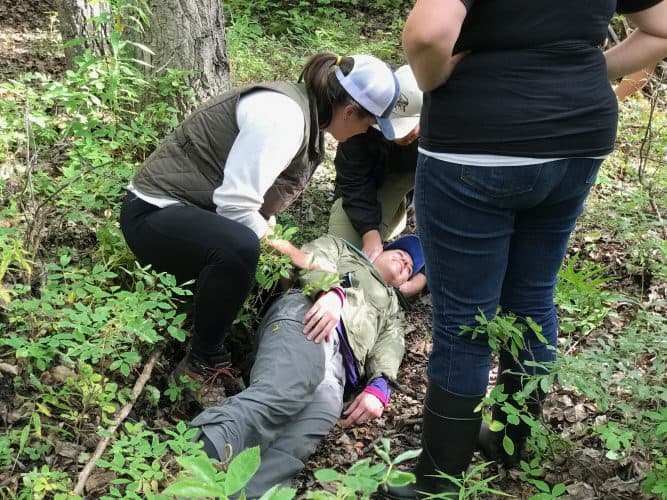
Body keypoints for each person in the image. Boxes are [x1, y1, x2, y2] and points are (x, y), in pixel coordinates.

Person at [386, 0, 667, 497]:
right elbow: (661, 29)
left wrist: (431, 80)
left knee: (464, 324)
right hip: (579, 139)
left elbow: (428, 35)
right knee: (533, 296)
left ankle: (435, 486)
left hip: (476, 145)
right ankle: (511, 440)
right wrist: (585, 67)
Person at [119, 52, 401, 407]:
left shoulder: (305, 118)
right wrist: (303, 261)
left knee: (267, 266)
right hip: (154, 215)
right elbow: (236, 207)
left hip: (193, 214)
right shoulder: (283, 117)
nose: (366, 132)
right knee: (241, 248)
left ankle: (235, 343)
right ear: (348, 111)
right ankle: (201, 361)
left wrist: (292, 265)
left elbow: (255, 205)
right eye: (369, 123)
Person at [189, 234, 426, 498]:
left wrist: (380, 383)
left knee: (307, 428)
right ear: (381, 250)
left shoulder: (392, 308)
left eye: (410, 268)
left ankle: (252, 493)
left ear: (407, 282)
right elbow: (312, 258)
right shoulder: (343, 250)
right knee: (284, 392)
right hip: (307, 319)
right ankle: (193, 461)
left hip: (339, 369)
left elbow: (390, 345)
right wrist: (330, 291)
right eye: (401, 252)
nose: (405, 261)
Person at [328, 64, 426, 297]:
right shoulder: (364, 118)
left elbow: (457, 213)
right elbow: (352, 180)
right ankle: (388, 222)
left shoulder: (449, 136)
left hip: (412, 178)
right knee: (341, 255)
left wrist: (423, 277)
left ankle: (396, 216)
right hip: (371, 185)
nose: (395, 135)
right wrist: (370, 235)